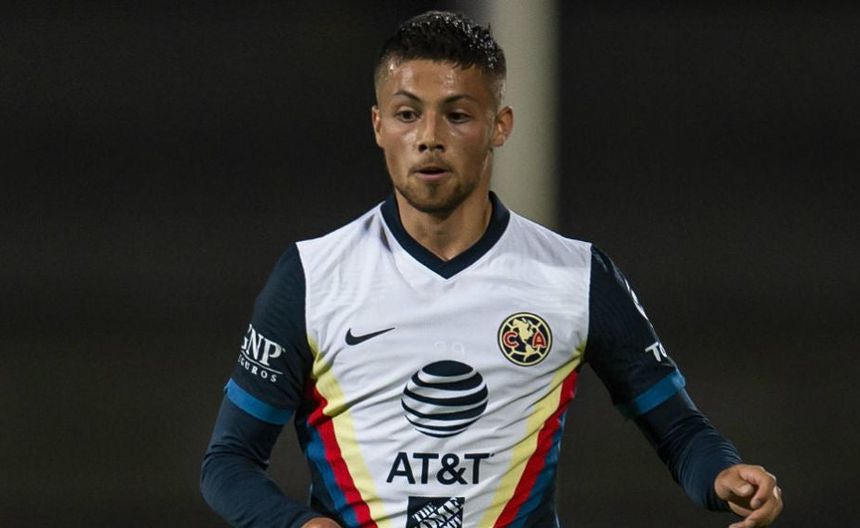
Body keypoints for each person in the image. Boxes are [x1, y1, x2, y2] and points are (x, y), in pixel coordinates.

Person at [201, 10, 783, 528]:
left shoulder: (576, 277)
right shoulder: (312, 276)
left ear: (499, 125)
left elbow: (679, 430)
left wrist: (721, 475)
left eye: (457, 115)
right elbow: (228, 462)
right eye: (407, 114)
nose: (429, 138)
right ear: (379, 125)